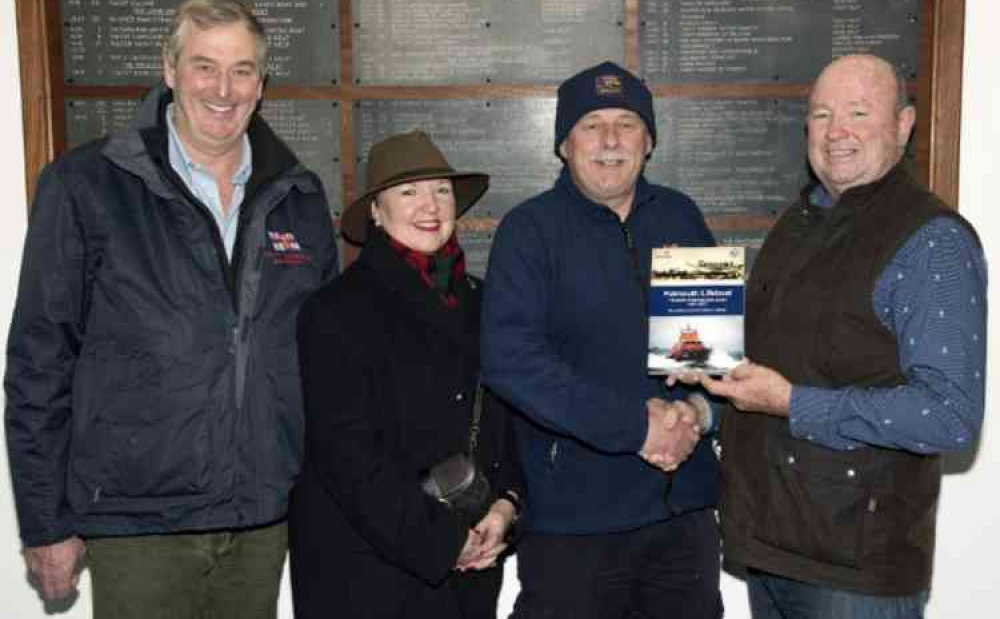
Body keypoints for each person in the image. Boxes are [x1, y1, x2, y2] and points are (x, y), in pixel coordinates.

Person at [4, 0, 339, 618]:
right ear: (169, 70)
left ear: (261, 84)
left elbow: (325, 361)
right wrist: (45, 521)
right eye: (204, 66)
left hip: (260, 518)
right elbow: (39, 361)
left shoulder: (299, 196)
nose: (223, 88)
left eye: (242, 70)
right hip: (140, 524)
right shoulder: (87, 186)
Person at [700, 54, 987, 618]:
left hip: (856, 574)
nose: (837, 132)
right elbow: (772, 363)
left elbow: (948, 415)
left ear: (903, 127)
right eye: (822, 114)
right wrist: (705, 400)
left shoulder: (932, 242)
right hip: (772, 550)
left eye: (859, 112)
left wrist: (791, 403)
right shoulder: (796, 222)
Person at [481, 61, 722, 618]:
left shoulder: (681, 219)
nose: (610, 140)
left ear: (650, 141)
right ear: (564, 144)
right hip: (575, 525)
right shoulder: (529, 231)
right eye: (591, 124)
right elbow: (512, 362)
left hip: (681, 516)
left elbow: (708, 357)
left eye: (627, 124)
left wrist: (695, 413)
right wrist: (635, 427)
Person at [288, 130, 523, 618]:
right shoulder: (333, 312)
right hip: (370, 575)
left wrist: (505, 508)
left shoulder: (484, 303)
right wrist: (443, 540)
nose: (430, 205)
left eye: (441, 190)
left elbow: (511, 422)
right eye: (409, 192)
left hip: (469, 568)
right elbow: (346, 454)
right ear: (376, 210)